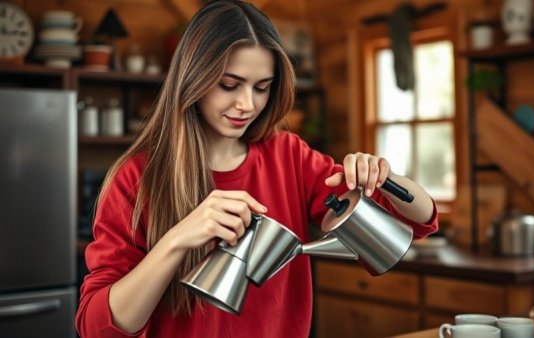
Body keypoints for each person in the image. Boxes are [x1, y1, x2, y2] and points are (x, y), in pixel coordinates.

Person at [75, 1, 439, 337]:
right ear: (193, 79)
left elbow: (416, 224)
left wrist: (384, 176)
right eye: (229, 85)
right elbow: (98, 328)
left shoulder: (289, 158)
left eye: (262, 88)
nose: (247, 105)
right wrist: (177, 239)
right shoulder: (136, 178)